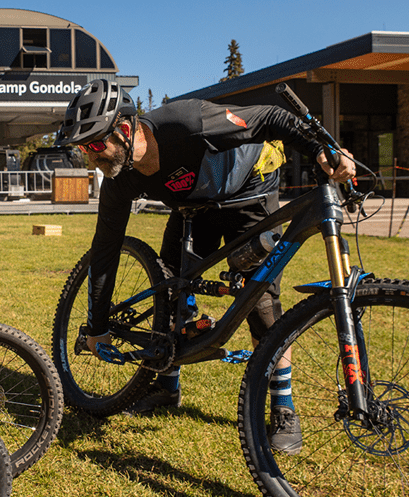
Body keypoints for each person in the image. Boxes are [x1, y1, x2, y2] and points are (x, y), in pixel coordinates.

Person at [56, 79, 356, 454]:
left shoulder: (188, 122)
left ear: (126, 130)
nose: (91, 157)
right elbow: (105, 249)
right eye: (84, 148)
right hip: (195, 207)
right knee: (171, 289)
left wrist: (319, 150)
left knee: (260, 304)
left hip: (250, 194)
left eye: (96, 144)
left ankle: (283, 406)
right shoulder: (120, 180)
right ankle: (166, 386)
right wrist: (97, 326)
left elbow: (271, 117)